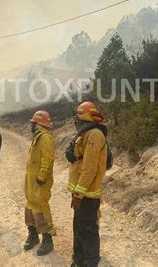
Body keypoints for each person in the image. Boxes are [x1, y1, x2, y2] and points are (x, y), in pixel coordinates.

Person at [67, 102, 108, 267]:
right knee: (78, 228)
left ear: (83, 116)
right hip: (82, 192)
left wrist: (78, 194)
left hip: (87, 194)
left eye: (76, 116)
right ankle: (78, 261)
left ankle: (90, 262)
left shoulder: (95, 135)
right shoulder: (86, 133)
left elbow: (89, 168)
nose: (75, 120)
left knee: (88, 231)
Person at [23, 110, 56, 256]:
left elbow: (47, 159)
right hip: (32, 180)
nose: (30, 125)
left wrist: (41, 176)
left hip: (40, 181)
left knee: (41, 208)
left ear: (37, 124)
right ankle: (33, 234)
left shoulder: (46, 138)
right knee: (30, 205)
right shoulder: (38, 137)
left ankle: (47, 239)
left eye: (32, 122)